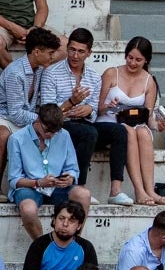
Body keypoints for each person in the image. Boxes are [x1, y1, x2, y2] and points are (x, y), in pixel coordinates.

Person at [40, 28, 133, 206]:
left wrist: (89, 110)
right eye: (72, 50)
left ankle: (115, 190)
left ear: (89, 53)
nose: (75, 55)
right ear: (67, 49)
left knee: (119, 131)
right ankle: (79, 188)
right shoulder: (51, 73)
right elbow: (47, 114)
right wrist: (71, 102)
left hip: (84, 124)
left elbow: (94, 111)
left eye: (81, 51)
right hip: (60, 125)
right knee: (88, 133)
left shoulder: (93, 76)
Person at [96, 37, 165, 206]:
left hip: (136, 126)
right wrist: (109, 106)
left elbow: (148, 117)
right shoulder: (111, 73)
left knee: (143, 132)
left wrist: (158, 126)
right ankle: (139, 190)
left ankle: (150, 190)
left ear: (146, 61)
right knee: (127, 130)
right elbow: (97, 108)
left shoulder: (149, 80)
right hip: (109, 123)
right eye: (130, 57)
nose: (133, 63)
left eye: (138, 60)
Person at [7, 105, 92, 241]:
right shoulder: (17, 139)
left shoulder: (64, 135)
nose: (51, 135)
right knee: (28, 209)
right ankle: (43, 246)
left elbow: (73, 169)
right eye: (48, 131)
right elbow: (14, 180)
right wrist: (39, 182)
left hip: (57, 187)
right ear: (38, 121)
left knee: (84, 194)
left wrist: (70, 178)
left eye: (55, 132)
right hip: (30, 187)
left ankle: (72, 241)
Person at [0, 27, 63, 171]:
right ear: (36, 52)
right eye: (50, 53)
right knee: (2, 136)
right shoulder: (15, 73)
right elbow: (15, 113)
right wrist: (42, 119)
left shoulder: (40, 69)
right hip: (5, 116)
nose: (52, 57)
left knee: (57, 132)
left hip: (27, 116)